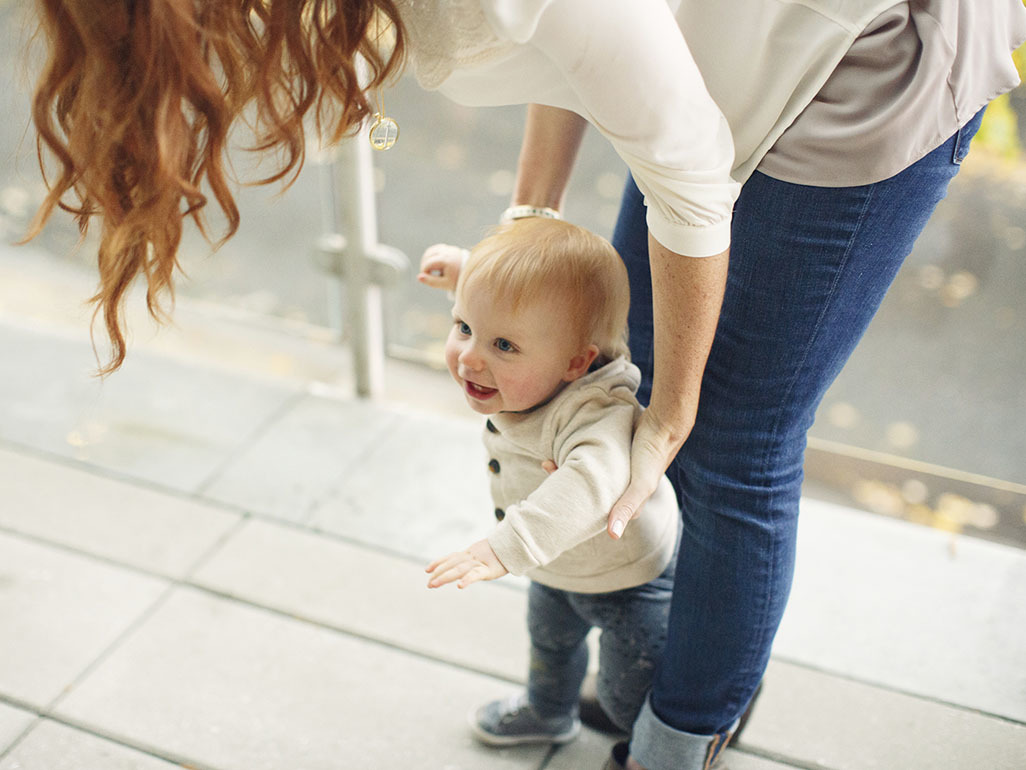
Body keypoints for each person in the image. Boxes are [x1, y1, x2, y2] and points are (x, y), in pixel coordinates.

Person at [25, 1, 1026, 768]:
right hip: (716, 40)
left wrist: (671, 417)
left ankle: (689, 728)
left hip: (867, 57)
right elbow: (588, 45)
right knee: (628, 368)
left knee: (728, 440)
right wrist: (526, 224)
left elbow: (672, 153)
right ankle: (654, 656)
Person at [421, 217, 680, 746]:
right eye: (464, 327)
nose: (470, 357)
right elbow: (525, 306)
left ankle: (655, 752)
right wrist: (467, 274)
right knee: (549, 642)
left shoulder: (594, 413)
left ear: (576, 363)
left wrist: (506, 547)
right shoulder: (546, 344)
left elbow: (593, 481)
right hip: (556, 564)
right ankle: (547, 711)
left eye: (503, 347)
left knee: (625, 690)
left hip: (627, 578)